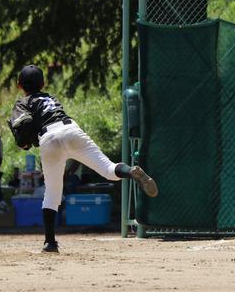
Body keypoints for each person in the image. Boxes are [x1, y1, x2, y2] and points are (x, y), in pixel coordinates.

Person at [13, 65, 159, 253]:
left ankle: (50, 243)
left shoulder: (23, 102)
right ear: (43, 84)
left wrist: (24, 141)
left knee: (52, 194)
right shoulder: (51, 98)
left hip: (49, 138)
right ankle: (131, 171)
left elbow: (24, 127)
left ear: (19, 85)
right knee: (109, 169)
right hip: (71, 130)